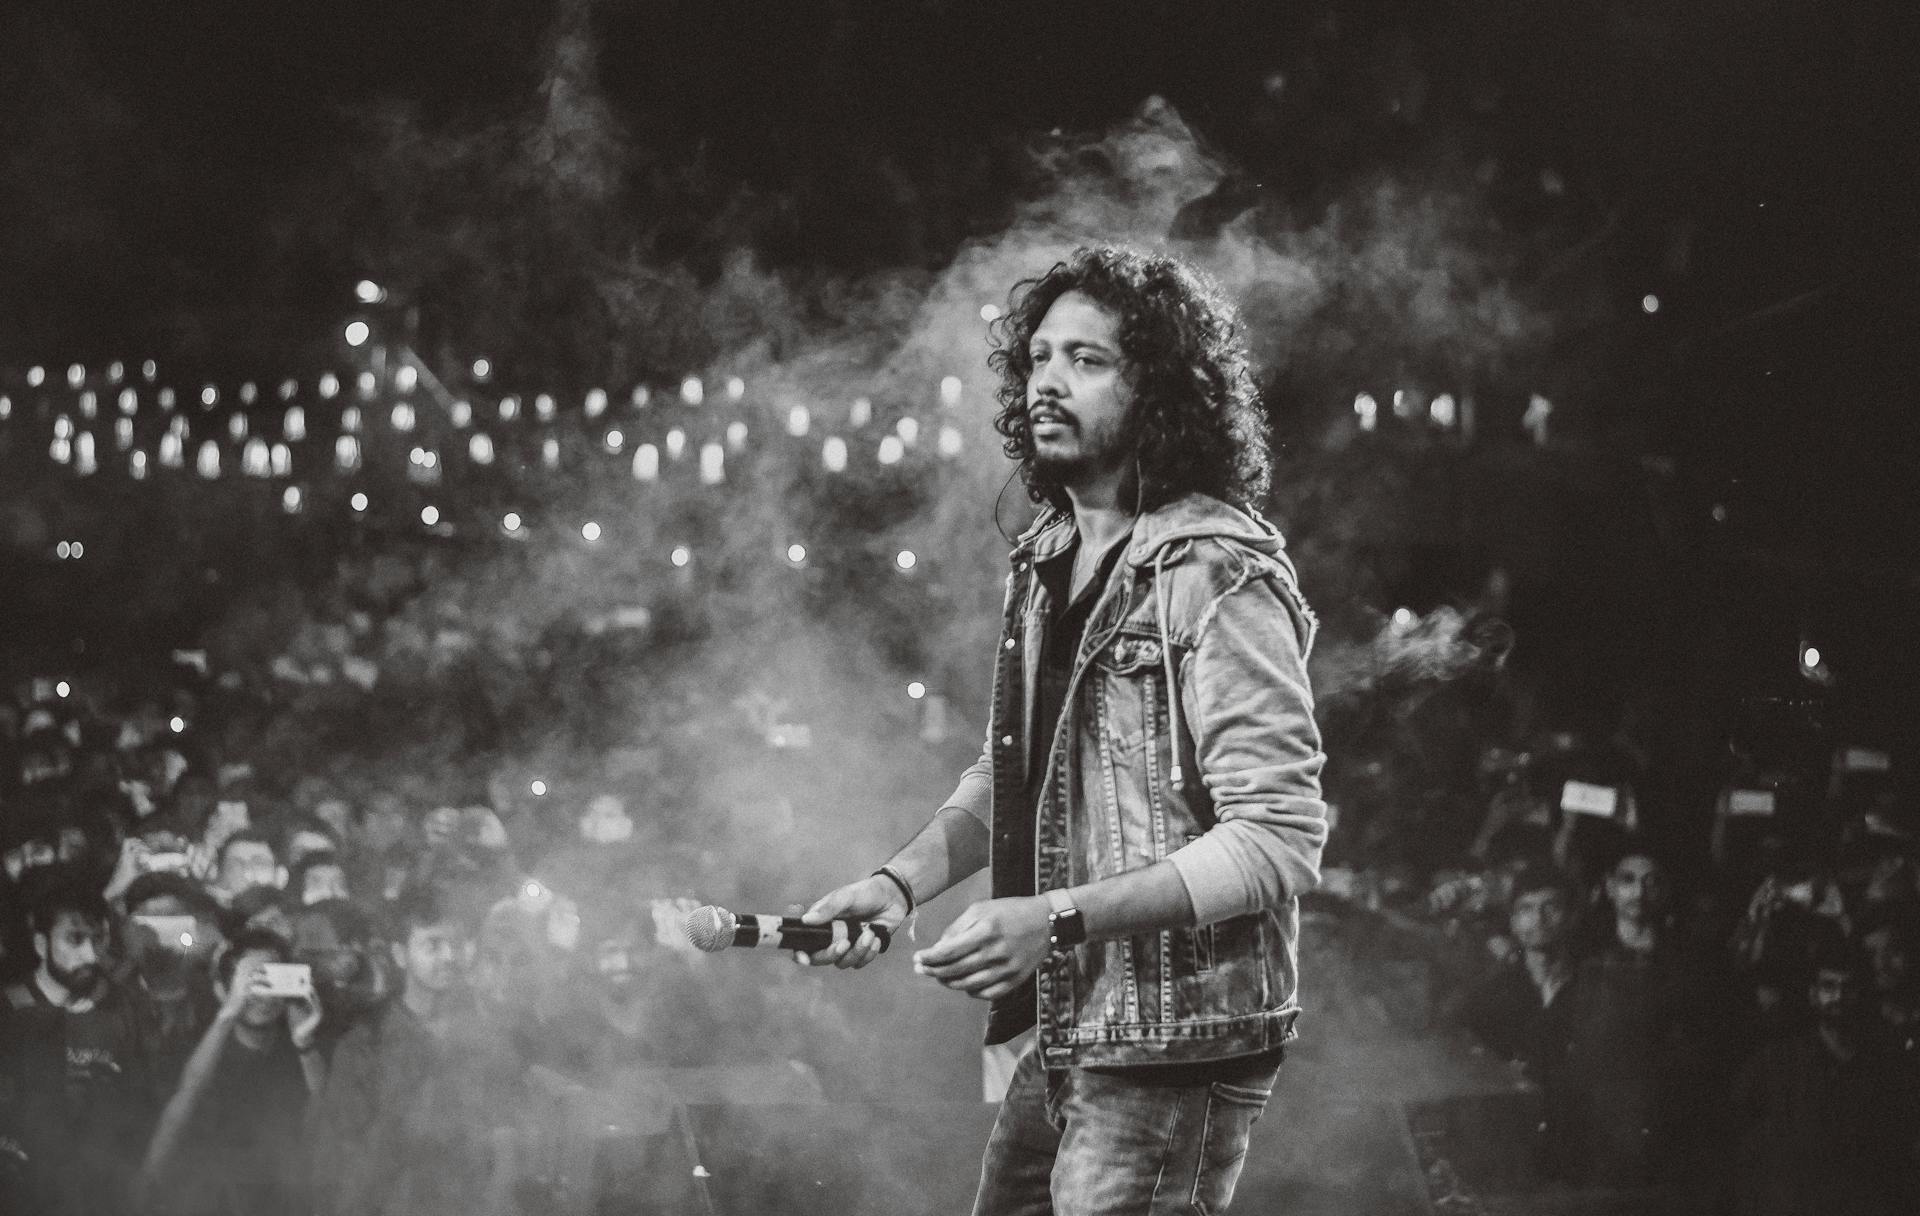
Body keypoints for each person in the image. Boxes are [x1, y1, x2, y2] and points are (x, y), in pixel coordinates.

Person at [799, 246, 1327, 1215]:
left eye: (1088, 360)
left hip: (1177, 1041)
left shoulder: (1215, 571)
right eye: (1039, 357)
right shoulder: (1046, 559)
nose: (1048, 380)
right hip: (1072, 1025)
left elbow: (1279, 839)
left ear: (1161, 390)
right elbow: (1019, 782)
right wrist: (892, 885)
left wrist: (1054, 918)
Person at [134, 928, 324, 1216]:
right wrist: (228, 1013)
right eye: (252, 980)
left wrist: (305, 1043)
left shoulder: (300, 1049)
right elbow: (182, 1105)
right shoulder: (196, 1048)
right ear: (223, 989)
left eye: (272, 979)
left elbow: (328, 1112)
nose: (262, 995)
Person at [1727, 936, 1920, 1215]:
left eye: (1848, 987)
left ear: (1861, 994)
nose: (1838, 996)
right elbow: (1742, 1129)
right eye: (1829, 987)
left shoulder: (1884, 1067)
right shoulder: (1778, 1061)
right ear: (1813, 994)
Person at [0, 880, 158, 1216]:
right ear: (41, 944)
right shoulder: (8, 1010)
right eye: (75, 939)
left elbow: (142, 1103)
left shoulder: (121, 1009)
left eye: (98, 940)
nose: (90, 954)